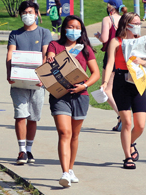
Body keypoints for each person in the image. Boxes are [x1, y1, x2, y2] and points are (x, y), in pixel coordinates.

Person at [46, 15, 100, 187]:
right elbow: (50, 55)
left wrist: (83, 86)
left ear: (81, 30)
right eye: (70, 27)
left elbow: (96, 74)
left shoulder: (85, 49)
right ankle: (64, 173)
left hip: (80, 96)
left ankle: (70, 169)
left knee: (74, 136)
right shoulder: (56, 45)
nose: (74, 30)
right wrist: (50, 57)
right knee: (64, 133)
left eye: (77, 27)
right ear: (64, 28)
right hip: (59, 96)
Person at [101, 12, 146, 170]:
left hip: (138, 82)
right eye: (135, 23)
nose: (138, 26)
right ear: (126, 25)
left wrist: (142, 62)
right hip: (121, 82)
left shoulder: (142, 41)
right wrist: (105, 83)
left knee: (140, 125)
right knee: (127, 122)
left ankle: (131, 142)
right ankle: (127, 157)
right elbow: (110, 63)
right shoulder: (116, 42)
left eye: (139, 23)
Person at [6, 0, 52, 165]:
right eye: (24, 13)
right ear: (20, 15)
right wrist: (9, 72)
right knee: (20, 114)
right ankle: (22, 150)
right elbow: (10, 54)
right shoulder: (15, 34)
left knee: (33, 117)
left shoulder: (44, 33)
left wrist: (43, 76)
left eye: (31, 12)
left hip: (38, 83)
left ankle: (30, 149)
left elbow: (46, 54)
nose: (28, 15)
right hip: (18, 82)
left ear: (37, 14)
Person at [94, 0, 127, 132]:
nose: (106, 7)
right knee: (121, 89)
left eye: (108, 5)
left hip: (112, 54)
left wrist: (98, 36)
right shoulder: (126, 19)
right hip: (125, 55)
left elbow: (105, 38)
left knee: (107, 89)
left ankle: (122, 116)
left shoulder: (107, 20)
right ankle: (123, 118)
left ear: (111, 7)